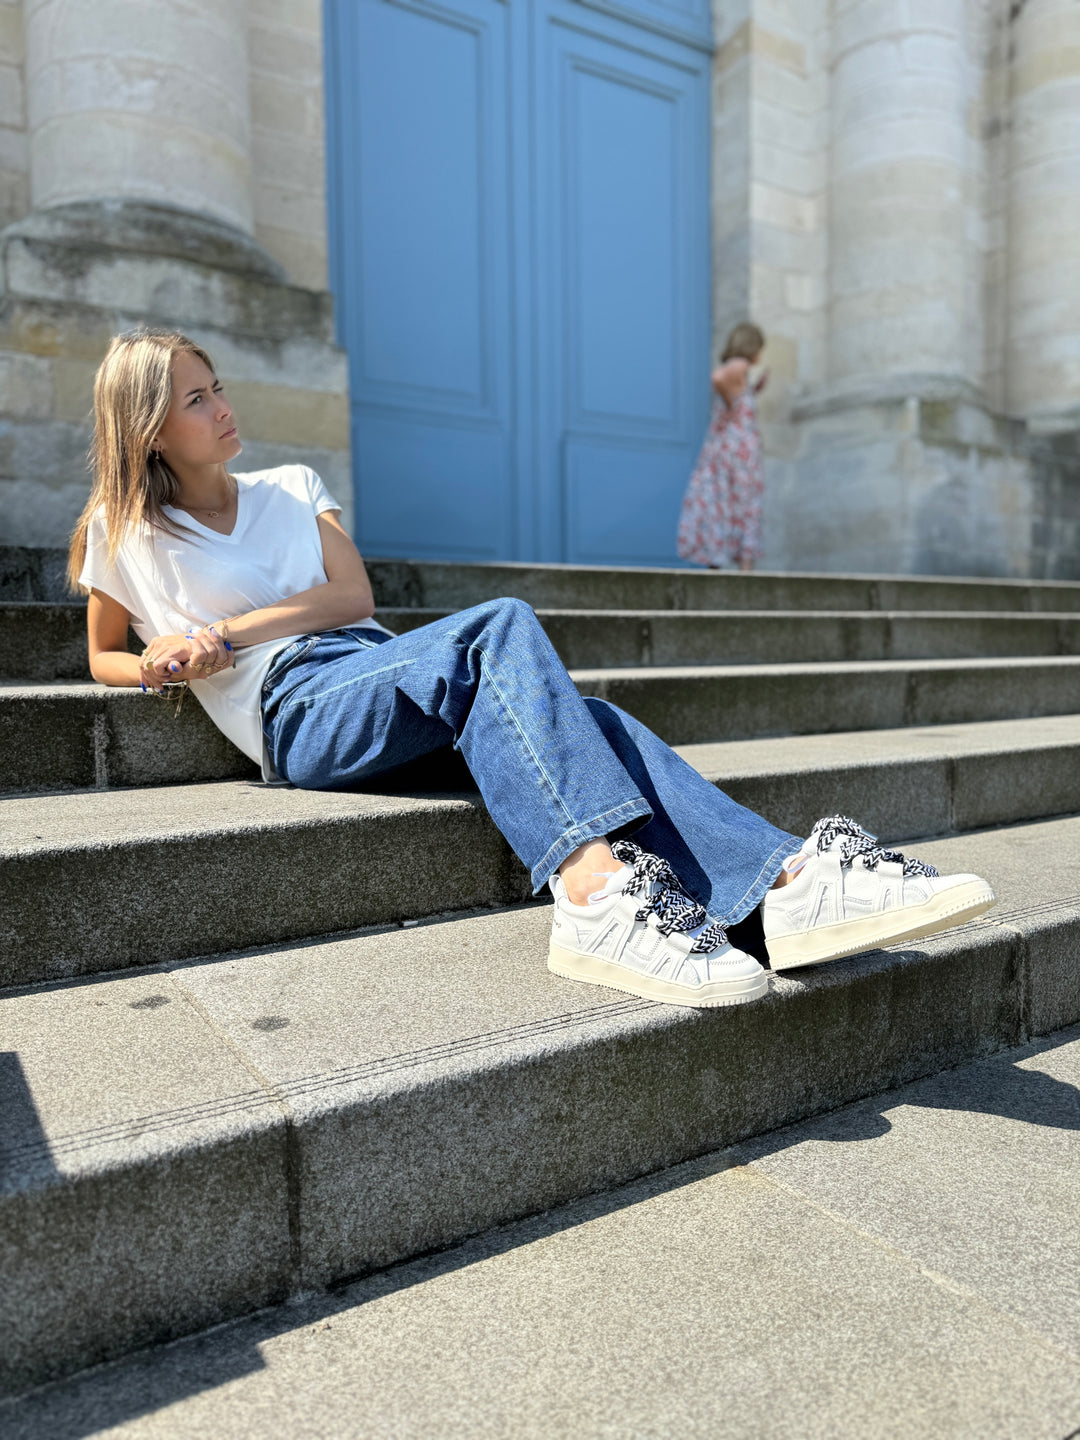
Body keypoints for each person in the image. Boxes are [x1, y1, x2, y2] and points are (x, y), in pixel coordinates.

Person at [69, 330, 996, 1009]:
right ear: (148, 426)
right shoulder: (120, 531)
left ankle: (784, 891)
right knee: (495, 629)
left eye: (218, 386)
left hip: (373, 662)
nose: (225, 407)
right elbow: (102, 653)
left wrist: (222, 632)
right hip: (295, 711)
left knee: (587, 722)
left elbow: (351, 598)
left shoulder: (291, 488)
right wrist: (153, 662)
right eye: (196, 399)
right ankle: (594, 894)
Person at [677, 321, 767, 573]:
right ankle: (744, 574)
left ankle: (718, 566)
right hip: (737, 453)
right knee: (741, 506)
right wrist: (730, 400)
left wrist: (750, 391)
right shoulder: (740, 366)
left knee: (721, 504)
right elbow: (718, 378)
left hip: (729, 450)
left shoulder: (741, 374)